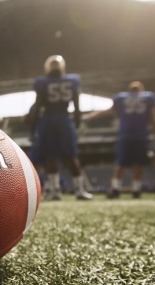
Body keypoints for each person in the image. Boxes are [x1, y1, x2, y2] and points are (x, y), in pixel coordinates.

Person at [30, 55, 91, 200]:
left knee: (51, 156)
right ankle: (80, 190)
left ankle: (55, 190)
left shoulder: (42, 82)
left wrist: (33, 127)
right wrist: (76, 122)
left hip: (48, 119)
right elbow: (76, 106)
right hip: (64, 119)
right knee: (70, 155)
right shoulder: (72, 80)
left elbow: (38, 106)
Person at [84, 81, 155, 199]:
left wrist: (90, 116)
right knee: (138, 163)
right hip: (140, 135)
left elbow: (108, 111)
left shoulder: (122, 98)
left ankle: (116, 188)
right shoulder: (148, 98)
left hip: (126, 135)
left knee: (121, 163)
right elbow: (153, 117)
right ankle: (136, 189)